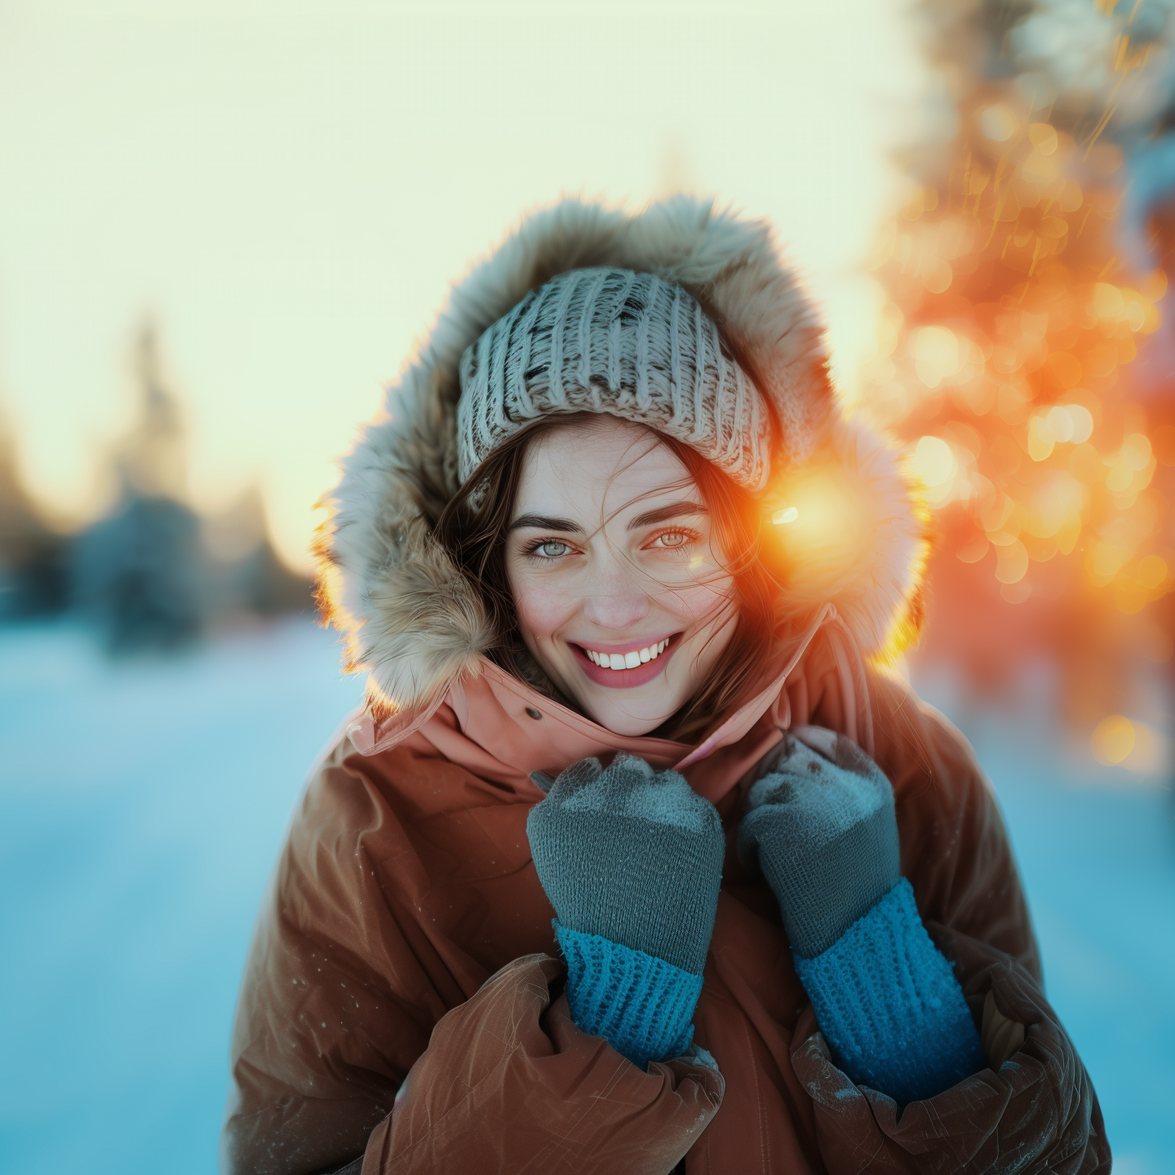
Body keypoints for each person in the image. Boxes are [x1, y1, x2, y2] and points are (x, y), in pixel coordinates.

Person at [222, 198, 1109, 1174]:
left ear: (746, 539)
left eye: (668, 533)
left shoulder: (899, 758)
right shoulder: (376, 816)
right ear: (487, 567)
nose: (614, 606)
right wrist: (604, 1033)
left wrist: (881, 977)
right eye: (552, 544)